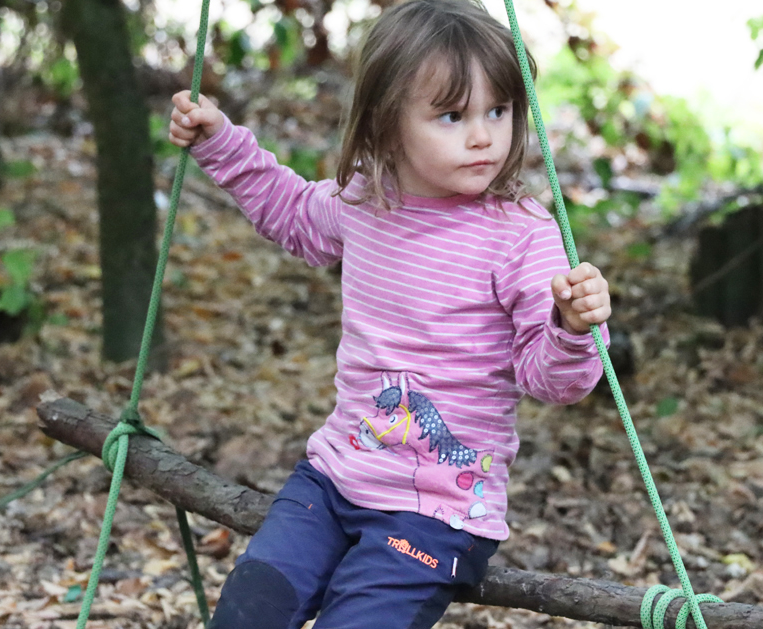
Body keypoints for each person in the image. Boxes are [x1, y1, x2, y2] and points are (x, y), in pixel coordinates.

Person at [169, 0, 611, 627]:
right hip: (333, 479)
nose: (483, 135)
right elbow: (292, 213)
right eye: (452, 115)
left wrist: (571, 328)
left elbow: (553, 381)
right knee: (250, 608)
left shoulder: (521, 234)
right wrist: (221, 144)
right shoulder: (367, 199)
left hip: (438, 512)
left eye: (499, 110)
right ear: (385, 123)